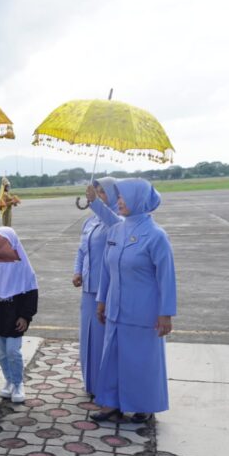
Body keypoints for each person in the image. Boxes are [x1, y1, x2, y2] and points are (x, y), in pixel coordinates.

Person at [94, 178, 176, 423]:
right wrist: (101, 300)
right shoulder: (117, 229)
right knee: (112, 356)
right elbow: (107, 269)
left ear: (138, 199)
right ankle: (111, 404)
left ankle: (144, 405)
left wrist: (165, 313)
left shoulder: (156, 236)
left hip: (143, 310)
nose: (118, 201)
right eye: (118, 197)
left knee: (140, 360)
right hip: (115, 307)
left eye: (123, 197)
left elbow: (167, 277)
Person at [72, 179, 121, 396]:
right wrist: (77, 271)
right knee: (88, 338)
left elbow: (116, 224)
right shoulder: (90, 222)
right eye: (97, 192)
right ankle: (90, 383)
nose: (99, 195)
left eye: (103, 192)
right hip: (88, 289)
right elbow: (82, 250)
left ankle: (105, 386)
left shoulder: (117, 220)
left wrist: (95, 202)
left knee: (103, 339)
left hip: (107, 289)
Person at [0, 227, 39, 403]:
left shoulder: (22, 264)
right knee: (1, 353)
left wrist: (25, 316)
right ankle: (8, 380)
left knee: (13, 351)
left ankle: (18, 383)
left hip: (15, 314)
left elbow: (31, 291)